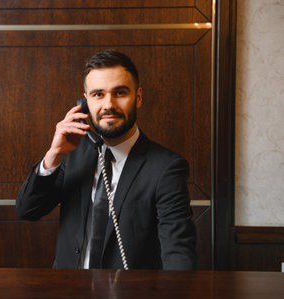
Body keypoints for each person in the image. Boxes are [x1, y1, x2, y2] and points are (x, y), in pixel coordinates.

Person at [16, 50, 198, 270]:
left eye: (120, 93)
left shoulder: (166, 168)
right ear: (85, 102)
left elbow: (178, 254)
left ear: (138, 97)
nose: (108, 104)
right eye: (98, 94)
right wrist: (53, 155)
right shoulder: (71, 153)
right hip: (67, 289)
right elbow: (27, 210)